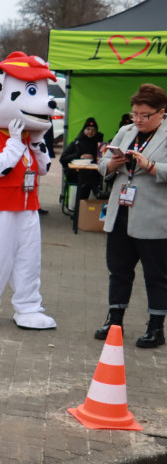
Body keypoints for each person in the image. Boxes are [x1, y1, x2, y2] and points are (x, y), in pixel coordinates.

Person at [0, 52, 58, 330]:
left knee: (29, 258)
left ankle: (28, 306)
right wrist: (15, 143)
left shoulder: (27, 137)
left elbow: (42, 169)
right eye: (31, 91)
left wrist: (37, 142)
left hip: (27, 206)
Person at [94, 83, 167, 349]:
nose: (137, 120)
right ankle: (115, 322)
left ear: (161, 112)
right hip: (120, 213)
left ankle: (156, 328)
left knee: (156, 275)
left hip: (154, 218)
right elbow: (102, 165)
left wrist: (151, 166)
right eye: (135, 113)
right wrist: (111, 164)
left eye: (144, 115)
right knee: (118, 270)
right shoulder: (126, 131)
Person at [59, 117, 104, 203]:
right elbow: (63, 159)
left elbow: (102, 159)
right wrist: (78, 156)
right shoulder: (76, 143)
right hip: (74, 173)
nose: (91, 131)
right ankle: (96, 191)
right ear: (84, 130)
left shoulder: (99, 145)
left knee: (86, 180)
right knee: (85, 175)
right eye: (88, 129)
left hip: (92, 175)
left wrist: (93, 157)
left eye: (93, 130)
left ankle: (78, 212)